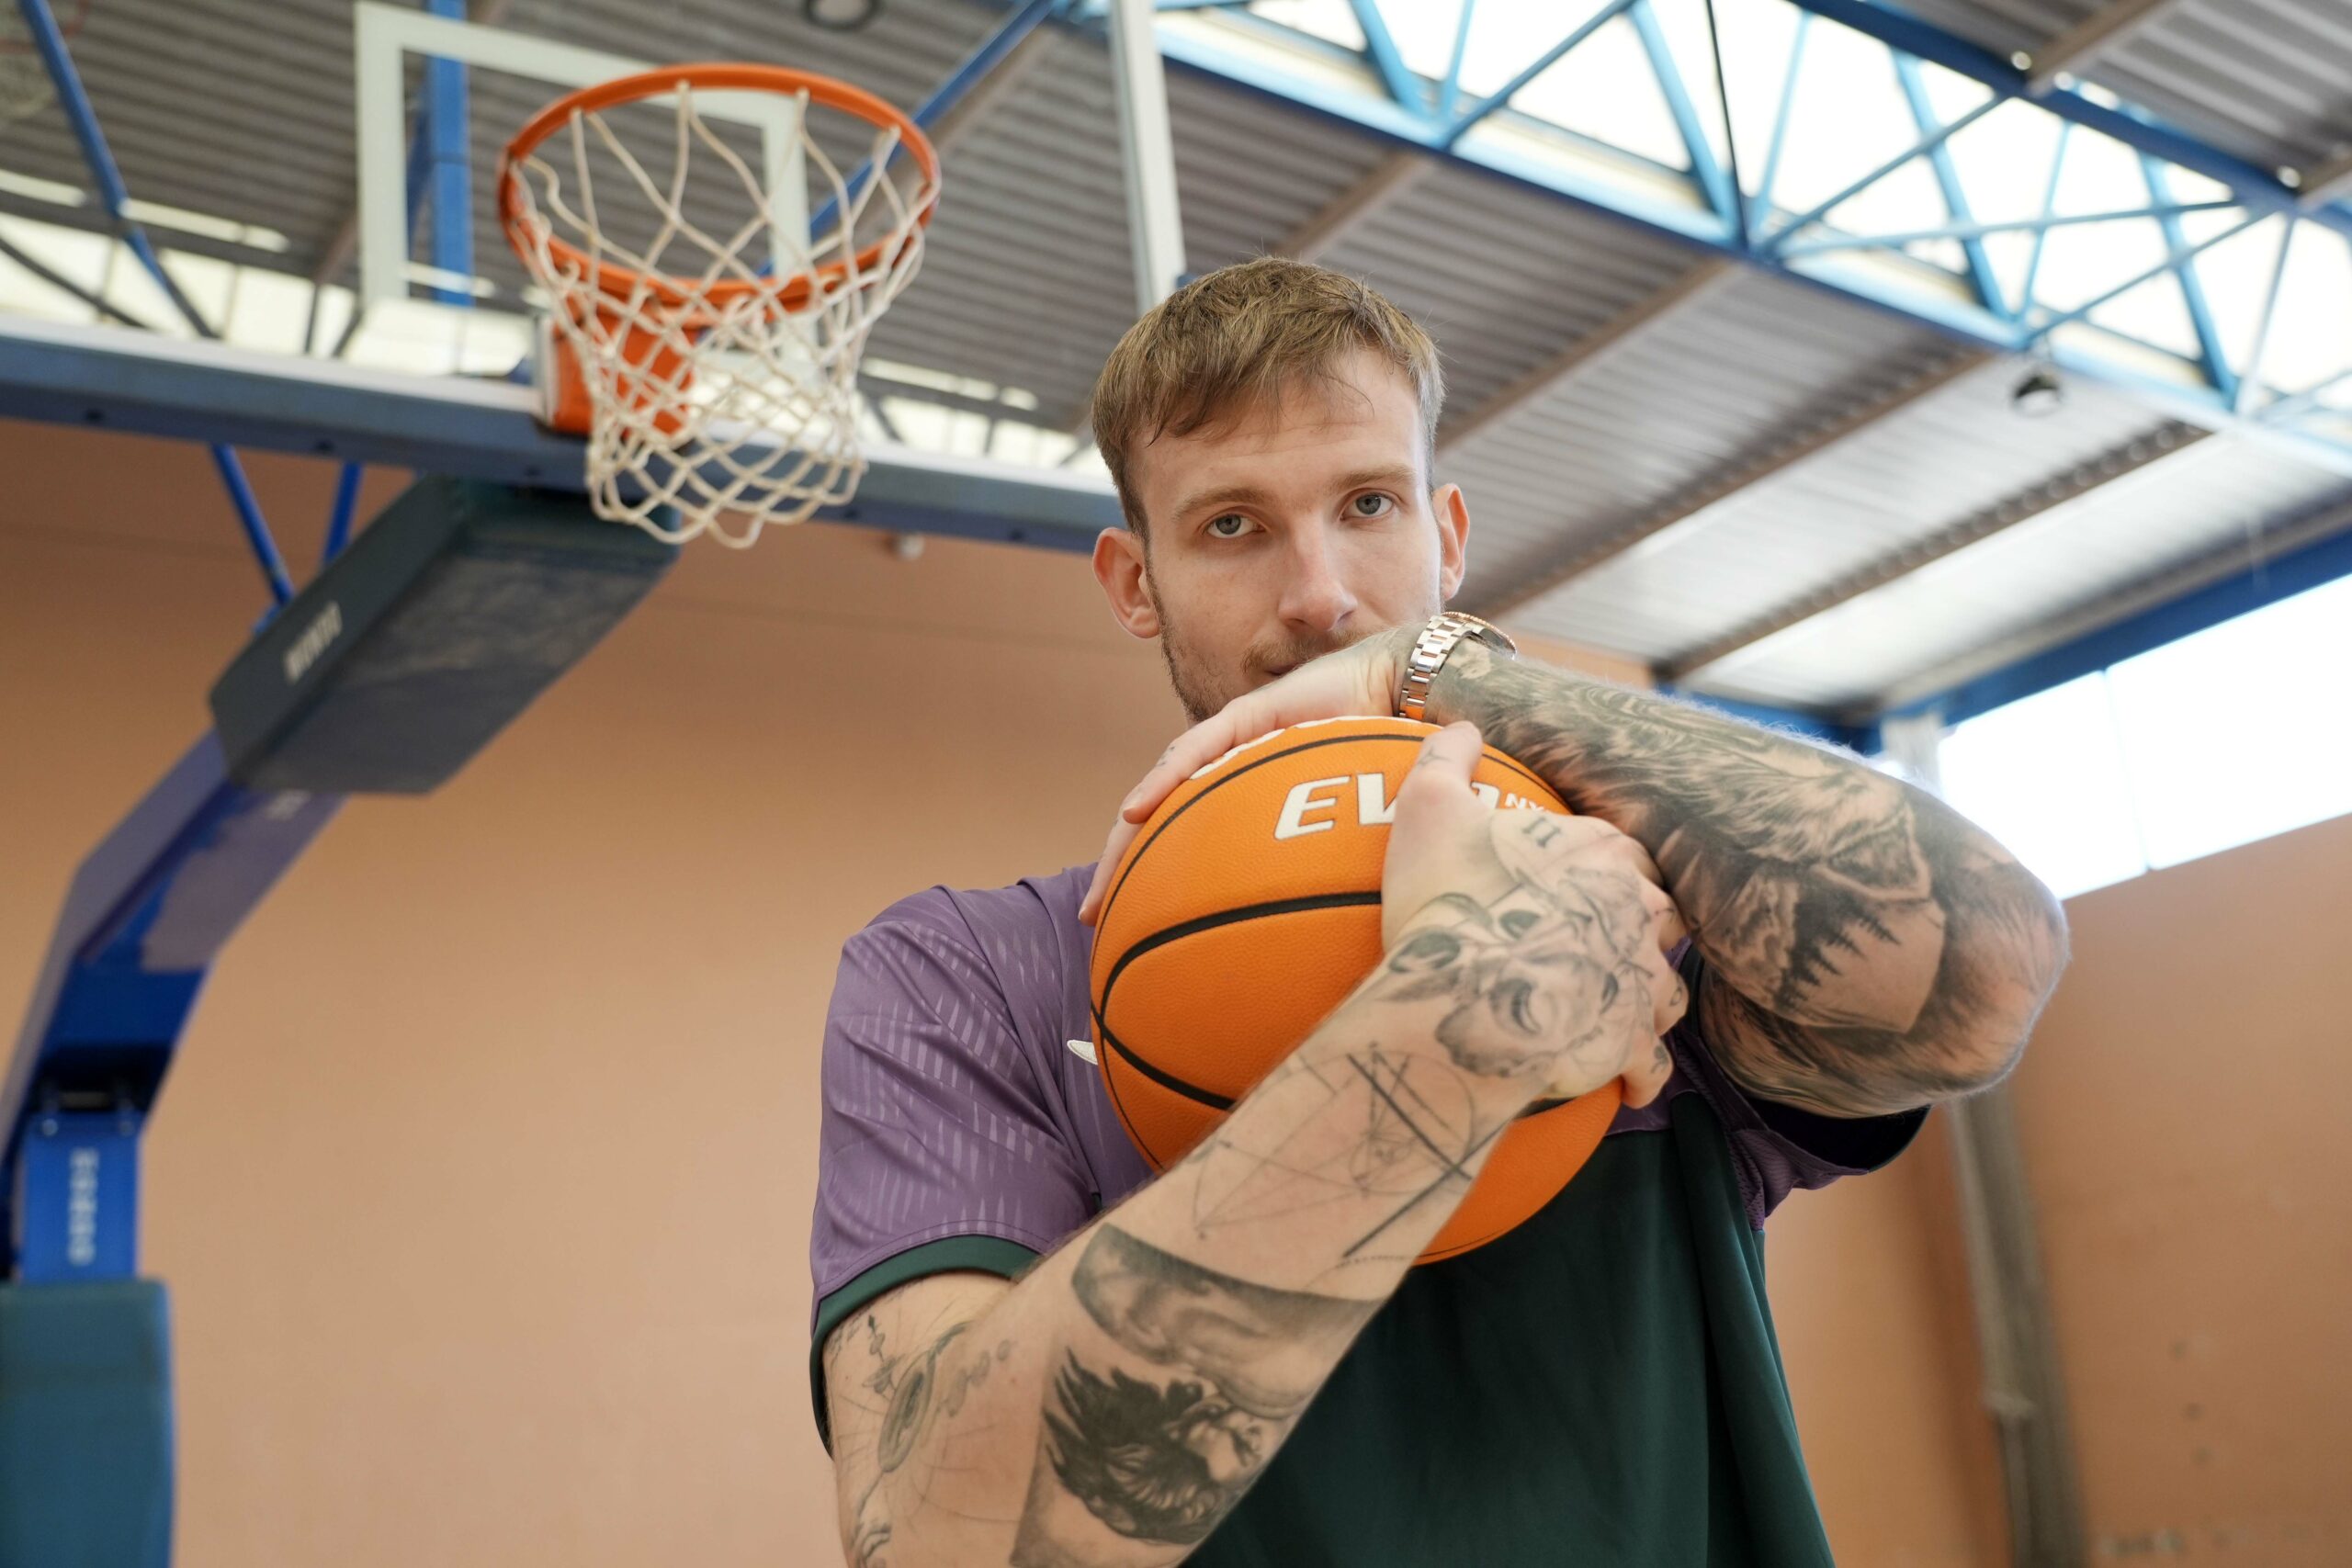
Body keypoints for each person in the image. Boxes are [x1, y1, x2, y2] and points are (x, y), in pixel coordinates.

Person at [808, 258, 2067, 1567]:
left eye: (1369, 504)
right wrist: (1468, 1025)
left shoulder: (1646, 886)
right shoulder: (970, 973)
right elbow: (931, 1541)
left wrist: (1447, 674)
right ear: (1136, 584)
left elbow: (1986, 966)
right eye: (1231, 525)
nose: (1318, 594)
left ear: (1447, 537)